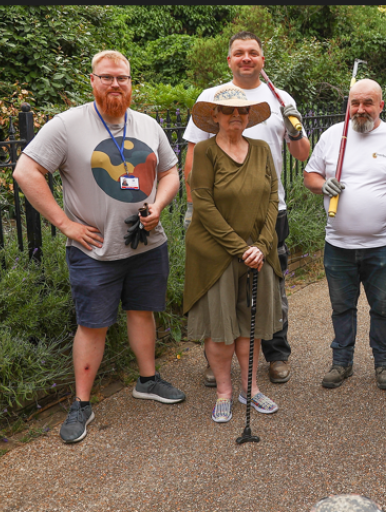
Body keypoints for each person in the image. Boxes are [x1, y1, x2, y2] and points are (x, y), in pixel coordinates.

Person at [13, 50, 185, 443]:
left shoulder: (146, 124)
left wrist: (158, 205)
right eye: (106, 77)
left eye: (122, 78)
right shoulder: (67, 125)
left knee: (143, 312)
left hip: (147, 244)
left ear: (130, 82)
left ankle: (148, 380)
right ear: (91, 80)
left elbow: (170, 171)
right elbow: (26, 171)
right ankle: (82, 403)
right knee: (92, 325)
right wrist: (64, 223)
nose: (115, 84)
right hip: (95, 249)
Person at [182, 31, 309, 386]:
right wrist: (195, 208)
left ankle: (277, 354)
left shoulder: (280, 98)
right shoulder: (211, 98)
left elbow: (302, 155)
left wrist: (294, 125)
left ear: (262, 60)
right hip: (218, 212)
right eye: (239, 53)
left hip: (271, 207)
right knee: (219, 286)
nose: (246, 58)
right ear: (229, 60)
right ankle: (217, 361)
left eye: (253, 52)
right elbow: (194, 154)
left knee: (271, 284)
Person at [303, 79, 386, 390]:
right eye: (355, 103)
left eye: (368, 103)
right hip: (338, 243)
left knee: (382, 307)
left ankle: (383, 363)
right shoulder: (332, 135)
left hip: (382, 244)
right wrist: (322, 184)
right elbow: (310, 174)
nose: (360, 109)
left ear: (381, 106)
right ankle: (342, 362)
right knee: (341, 307)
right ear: (348, 105)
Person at [184, 85, 283, 422]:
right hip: (216, 254)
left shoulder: (261, 148)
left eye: (242, 111)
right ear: (216, 116)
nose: (236, 116)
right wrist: (241, 249)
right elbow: (204, 204)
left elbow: (272, 197)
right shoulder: (206, 151)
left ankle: (250, 389)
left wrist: (262, 245)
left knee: (249, 327)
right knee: (221, 328)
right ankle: (225, 391)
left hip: (257, 253)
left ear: (248, 116)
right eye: (228, 111)